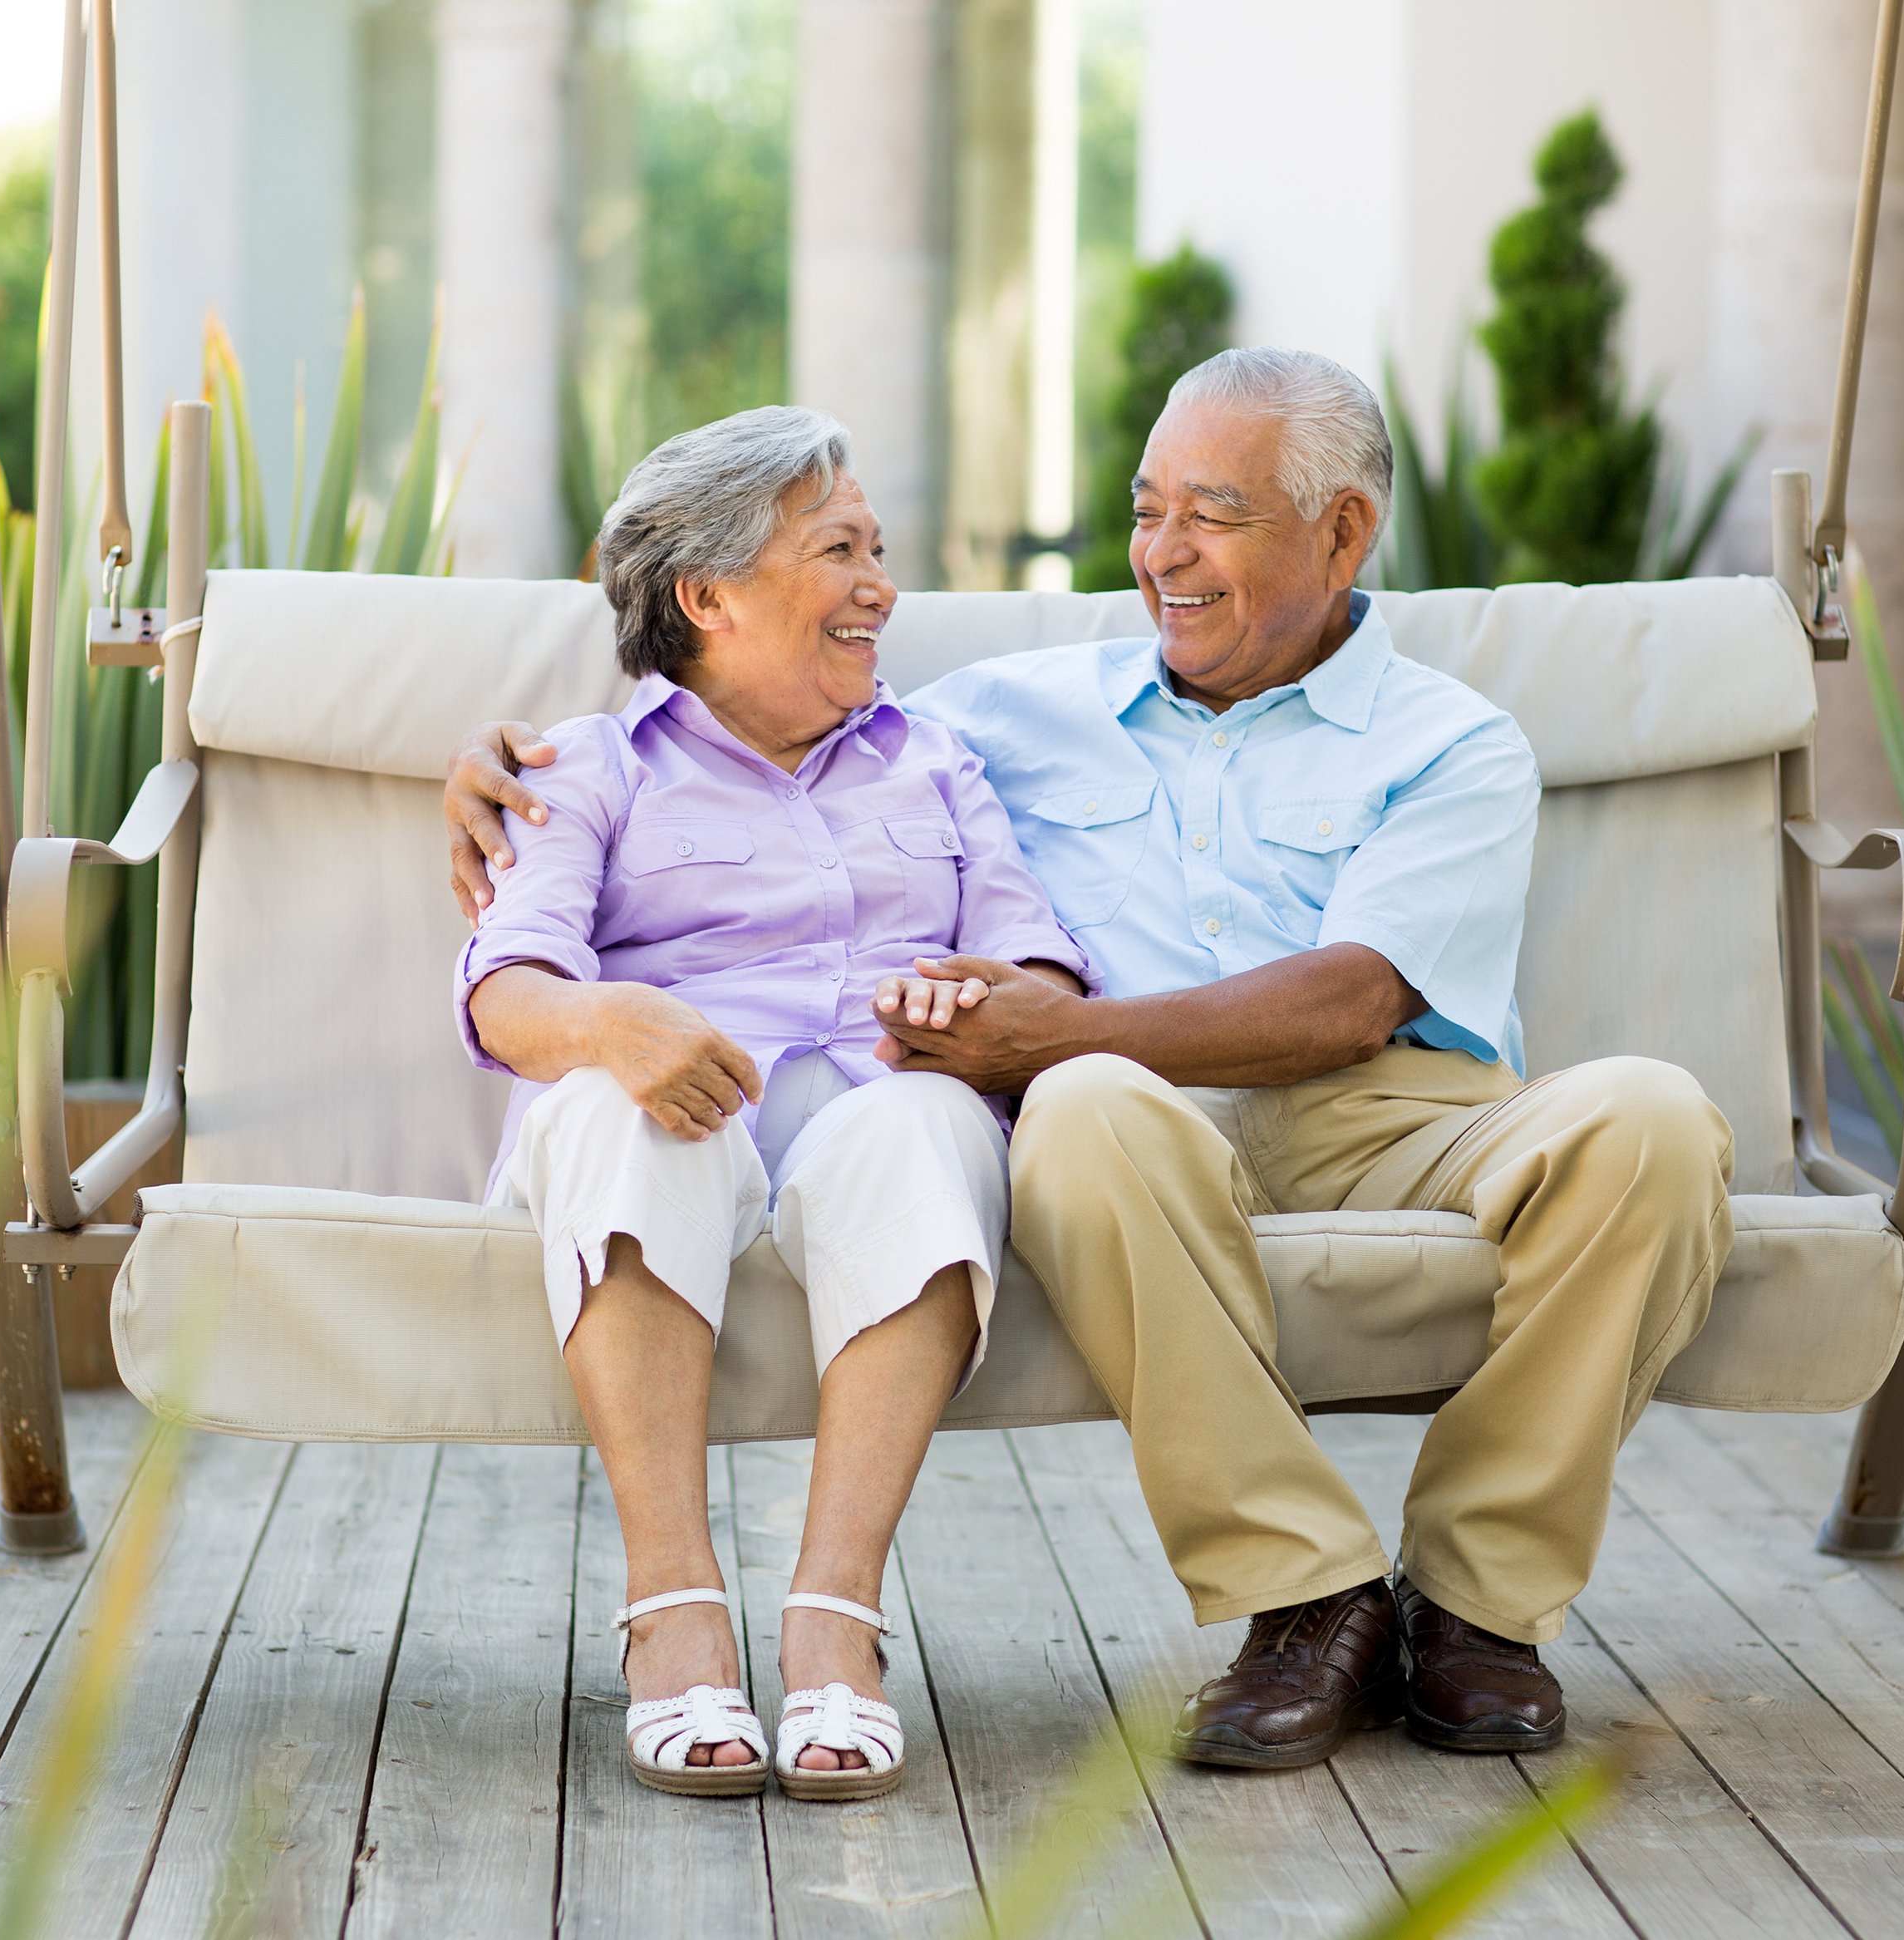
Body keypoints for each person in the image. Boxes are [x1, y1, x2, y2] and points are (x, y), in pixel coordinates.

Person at [447, 350, 1732, 1773]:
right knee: (1073, 1111)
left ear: (1345, 532)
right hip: (1129, 1123)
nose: (1162, 555)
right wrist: (500, 778)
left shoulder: (1452, 744)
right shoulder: (996, 712)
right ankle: (1304, 1595)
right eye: (1146, 508)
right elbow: (723, 731)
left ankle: (1480, 1606)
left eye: (1212, 514)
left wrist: (1047, 1023)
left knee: (1654, 1118)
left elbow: (1348, 999)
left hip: (1386, 1113)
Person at [454, 406, 1087, 1800]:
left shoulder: (936, 760)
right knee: (626, 1106)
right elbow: (508, 991)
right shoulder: (591, 768)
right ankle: (672, 1611)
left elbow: (1037, 958)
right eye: (841, 550)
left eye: (878, 549)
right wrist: (614, 1020)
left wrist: (980, 1007)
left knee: (929, 1123)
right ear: (709, 596)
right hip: (671, 1125)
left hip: (876, 1117)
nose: (882, 586)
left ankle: (832, 1621)